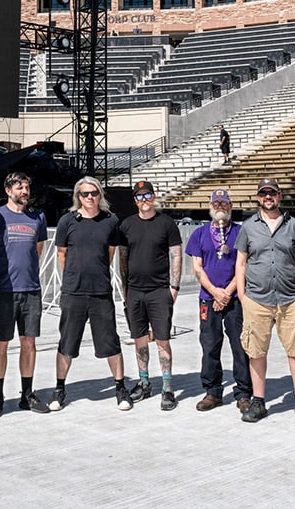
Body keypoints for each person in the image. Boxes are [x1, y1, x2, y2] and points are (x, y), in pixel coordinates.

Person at [233, 176, 295, 427]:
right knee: (256, 352)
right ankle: (258, 401)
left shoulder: (293, 226)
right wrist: (242, 296)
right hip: (257, 299)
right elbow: (241, 262)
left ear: (279, 196)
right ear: (258, 198)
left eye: (272, 193)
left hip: (290, 299)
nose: (268, 197)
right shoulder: (248, 226)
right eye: (263, 193)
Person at [48, 175, 133, 412]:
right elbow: (61, 254)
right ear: (78, 196)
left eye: (94, 193)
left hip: (100, 293)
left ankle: (120, 387)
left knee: (110, 341)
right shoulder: (67, 221)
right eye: (85, 194)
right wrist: (74, 278)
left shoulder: (111, 220)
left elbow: (110, 253)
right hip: (73, 292)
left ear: (100, 195)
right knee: (67, 342)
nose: (90, 198)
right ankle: (59, 388)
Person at [0, 171, 51, 416]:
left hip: (31, 290)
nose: (24, 191)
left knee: (29, 342)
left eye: (26, 187)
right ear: (8, 190)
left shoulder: (38, 217)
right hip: (3, 290)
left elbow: (38, 250)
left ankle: (27, 394)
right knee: (0, 344)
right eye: (19, 187)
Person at [186, 189, 253, 414]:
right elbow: (197, 267)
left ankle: (244, 393)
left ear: (230, 205)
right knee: (210, 345)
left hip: (234, 299)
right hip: (208, 298)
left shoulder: (240, 232)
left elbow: (243, 266)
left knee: (240, 346)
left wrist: (226, 293)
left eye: (224, 203)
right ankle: (212, 391)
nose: (220, 207)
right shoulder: (200, 233)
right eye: (217, 203)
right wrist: (215, 292)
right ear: (210, 205)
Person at [119, 179, 184, 410]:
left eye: (147, 195)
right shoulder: (126, 225)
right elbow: (122, 260)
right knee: (139, 340)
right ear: (135, 200)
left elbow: (176, 255)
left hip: (159, 291)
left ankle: (167, 388)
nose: (144, 200)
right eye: (140, 196)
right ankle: (144, 382)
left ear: (153, 197)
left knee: (163, 340)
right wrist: (126, 292)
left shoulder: (166, 223)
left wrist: (174, 288)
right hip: (135, 292)